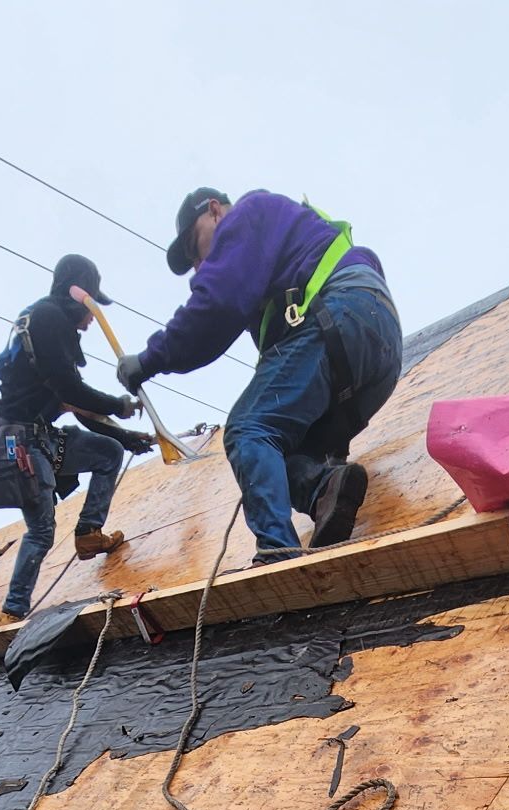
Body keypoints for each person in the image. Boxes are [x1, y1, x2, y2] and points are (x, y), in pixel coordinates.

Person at [117, 190, 402, 565]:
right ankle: (325, 488)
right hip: (378, 354)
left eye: (194, 247)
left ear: (215, 211)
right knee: (279, 452)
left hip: (339, 316)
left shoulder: (247, 214)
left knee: (248, 429)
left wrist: (149, 359)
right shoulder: (283, 256)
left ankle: (276, 551)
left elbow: (214, 306)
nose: (200, 265)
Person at [0, 254, 156, 619]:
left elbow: (73, 403)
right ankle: (12, 610)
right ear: (78, 294)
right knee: (42, 530)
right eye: (93, 307)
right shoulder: (48, 319)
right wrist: (120, 405)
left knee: (107, 452)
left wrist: (128, 439)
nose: (92, 320)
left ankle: (89, 532)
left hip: (42, 439)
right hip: (21, 445)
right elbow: (72, 390)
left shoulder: (44, 323)